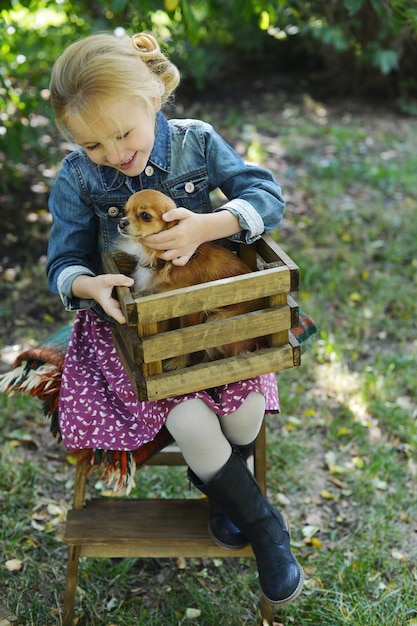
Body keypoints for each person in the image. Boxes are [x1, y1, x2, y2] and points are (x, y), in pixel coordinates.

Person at [46, 30, 304, 606]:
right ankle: (264, 527)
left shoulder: (198, 143)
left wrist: (208, 226)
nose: (113, 155)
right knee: (190, 417)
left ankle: (221, 489)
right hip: (134, 333)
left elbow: (267, 196)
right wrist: (87, 283)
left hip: (212, 317)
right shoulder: (75, 178)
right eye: (93, 146)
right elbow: (62, 260)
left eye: (122, 134)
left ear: (154, 100)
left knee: (246, 411)